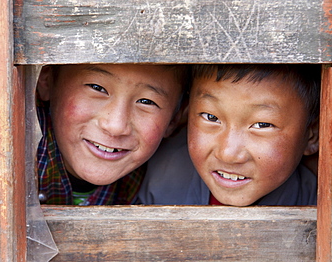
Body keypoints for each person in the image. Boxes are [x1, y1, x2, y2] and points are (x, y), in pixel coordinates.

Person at [136, 64, 320, 206]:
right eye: (211, 117)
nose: (228, 154)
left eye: (262, 125)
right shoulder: (161, 180)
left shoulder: (320, 202)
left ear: (312, 135)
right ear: (185, 113)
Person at [36, 64, 189, 205]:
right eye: (97, 88)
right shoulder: (22, 153)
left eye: (146, 101)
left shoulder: (152, 182)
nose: (116, 127)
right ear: (46, 80)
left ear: (174, 119)